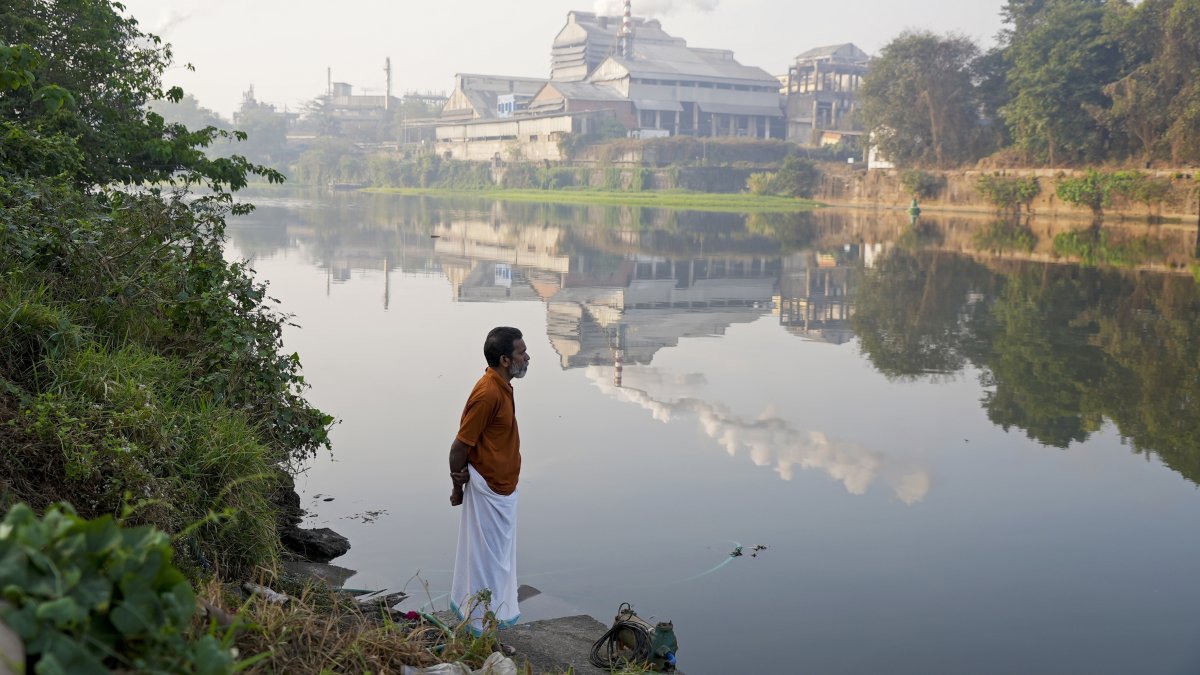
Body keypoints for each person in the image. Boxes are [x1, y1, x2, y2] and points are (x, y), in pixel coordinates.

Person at [449, 326, 530, 634]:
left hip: (504, 490)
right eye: (521, 352)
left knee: (498, 566)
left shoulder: (503, 386)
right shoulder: (487, 392)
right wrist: (457, 487)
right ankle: (482, 632)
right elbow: (459, 446)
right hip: (489, 491)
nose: (527, 357)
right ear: (505, 360)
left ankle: (488, 626)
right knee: (487, 566)